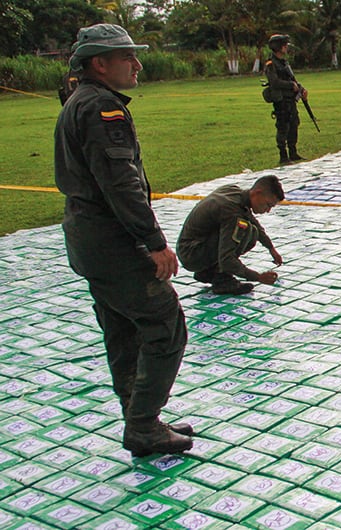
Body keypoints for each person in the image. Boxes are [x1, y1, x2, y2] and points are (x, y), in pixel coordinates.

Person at [54, 23, 192, 458]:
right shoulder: (101, 109)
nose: (137, 65)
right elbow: (121, 184)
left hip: (90, 239)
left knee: (122, 330)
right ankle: (143, 424)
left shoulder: (84, 101)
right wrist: (153, 241)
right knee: (164, 325)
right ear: (100, 63)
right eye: (126, 58)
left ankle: (141, 416)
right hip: (112, 241)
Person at [177, 176, 285, 296]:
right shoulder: (231, 212)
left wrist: (270, 247)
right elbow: (227, 259)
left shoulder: (234, 192)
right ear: (257, 193)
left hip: (191, 247)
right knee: (246, 230)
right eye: (268, 205)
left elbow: (253, 220)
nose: (268, 210)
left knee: (251, 228)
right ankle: (222, 280)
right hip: (191, 254)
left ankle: (209, 271)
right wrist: (258, 277)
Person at [263, 34, 307, 165]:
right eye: (284, 45)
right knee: (283, 127)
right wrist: (290, 86)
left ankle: (293, 152)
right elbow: (275, 82)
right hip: (281, 100)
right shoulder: (271, 64)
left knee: (294, 124)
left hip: (290, 99)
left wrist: (301, 89)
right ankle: (283, 156)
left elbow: (292, 79)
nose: (286, 47)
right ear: (278, 47)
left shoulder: (284, 62)